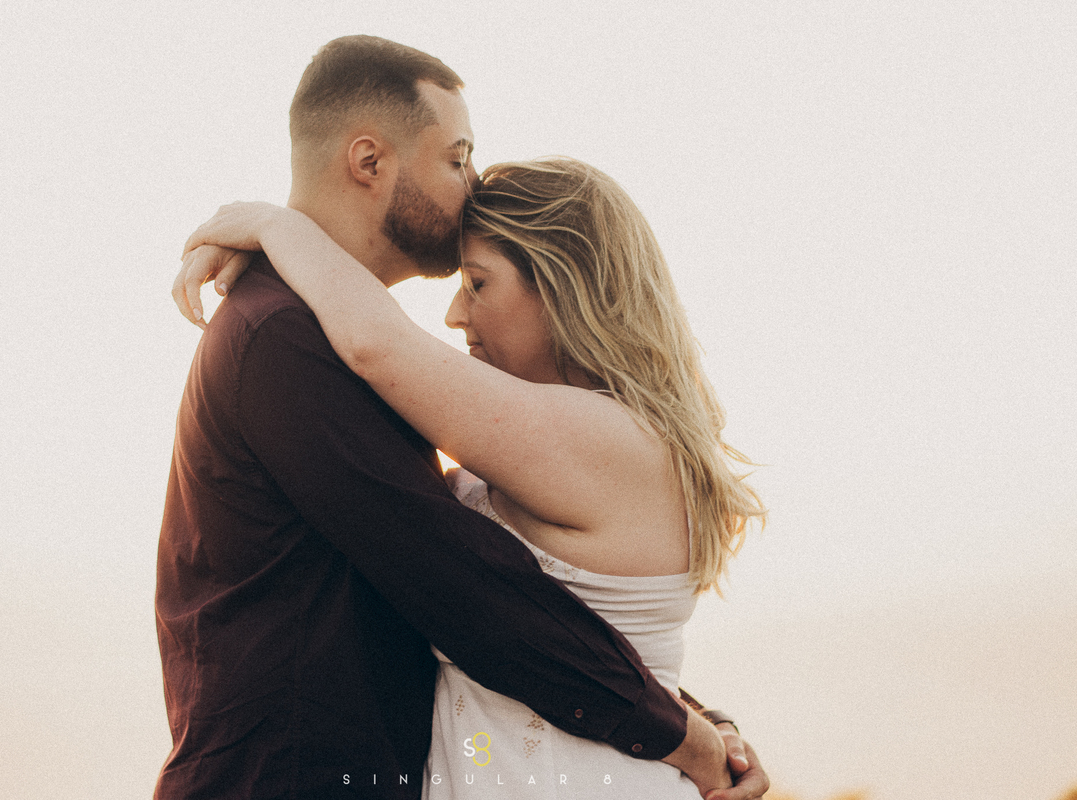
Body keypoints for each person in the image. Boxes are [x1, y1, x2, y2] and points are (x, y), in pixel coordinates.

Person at [160, 35, 769, 800]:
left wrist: (687, 725)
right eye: (457, 157)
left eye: (481, 282)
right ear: (369, 161)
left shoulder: (583, 431)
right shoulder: (288, 337)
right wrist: (688, 732)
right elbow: (476, 591)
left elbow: (501, 596)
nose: (470, 182)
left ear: (562, 289)